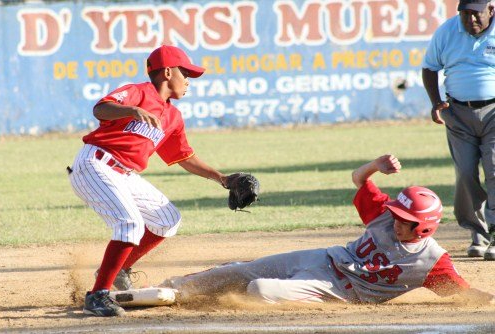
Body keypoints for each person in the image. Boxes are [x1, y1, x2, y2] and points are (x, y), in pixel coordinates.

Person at [161, 155, 495, 305]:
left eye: (404, 218)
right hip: (325, 258)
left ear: (423, 229)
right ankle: (174, 290)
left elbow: (467, 296)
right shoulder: (383, 215)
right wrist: (374, 166)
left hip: (338, 290)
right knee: (245, 269)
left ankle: (211, 299)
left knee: (259, 289)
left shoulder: (432, 261)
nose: (394, 218)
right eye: (396, 211)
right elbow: (359, 179)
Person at [68, 45, 231, 317]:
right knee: (129, 222)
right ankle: (97, 296)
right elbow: (101, 109)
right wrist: (132, 110)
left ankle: (117, 269)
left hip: (124, 173)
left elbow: (183, 157)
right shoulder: (139, 92)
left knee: (167, 218)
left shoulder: (173, 117)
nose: (188, 81)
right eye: (186, 73)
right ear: (167, 72)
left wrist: (222, 178)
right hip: (95, 163)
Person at [422, 0, 495, 260]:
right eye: (464, 14)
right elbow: (430, 67)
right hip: (458, 113)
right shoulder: (447, 32)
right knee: (465, 173)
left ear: (491, 10)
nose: (470, 20)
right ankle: (477, 233)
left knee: (494, 169)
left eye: (475, 14)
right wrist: (435, 102)